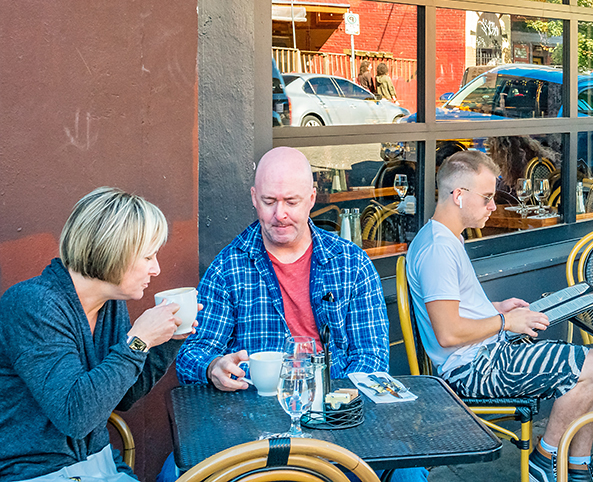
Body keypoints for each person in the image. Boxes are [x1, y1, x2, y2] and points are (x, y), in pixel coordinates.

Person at [407, 150, 593, 482]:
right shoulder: (438, 251)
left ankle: (576, 467)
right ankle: (545, 460)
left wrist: (497, 308)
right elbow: (447, 332)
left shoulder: (446, 240)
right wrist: (506, 322)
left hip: (487, 354)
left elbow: (452, 310)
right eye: (487, 197)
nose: (493, 206)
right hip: (474, 368)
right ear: (458, 196)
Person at [0, 188, 194, 482]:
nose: (156, 269)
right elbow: (75, 416)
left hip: (101, 466)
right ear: (115, 252)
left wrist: (167, 341)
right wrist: (138, 342)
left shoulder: (110, 305)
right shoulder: (32, 305)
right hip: (36, 472)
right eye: (148, 257)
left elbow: (122, 396)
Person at [176, 147, 388, 389]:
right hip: (253, 408)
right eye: (269, 201)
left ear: (311, 199)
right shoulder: (228, 268)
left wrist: (335, 403)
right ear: (254, 198)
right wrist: (213, 367)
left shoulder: (351, 263)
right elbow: (191, 354)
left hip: (334, 407)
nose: (280, 214)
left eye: (291, 201)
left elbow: (372, 357)